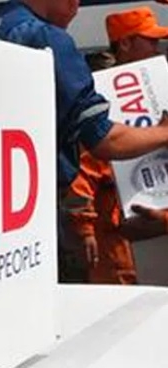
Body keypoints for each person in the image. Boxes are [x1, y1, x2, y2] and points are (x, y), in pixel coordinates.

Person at [0, 0, 168, 281]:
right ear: (126, 44)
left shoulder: (1, 28)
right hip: (104, 227)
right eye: (150, 41)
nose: (77, 4)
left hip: (12, 206)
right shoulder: (47, 40)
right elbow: (100, 145)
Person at [64, 7, 168, 284]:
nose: (157, 48)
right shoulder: (99, 101)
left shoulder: (160, 91)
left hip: (154, 227)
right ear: (125, 43)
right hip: (117, 238)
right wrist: (85, 229)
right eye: (151, 41)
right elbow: (83, 171)